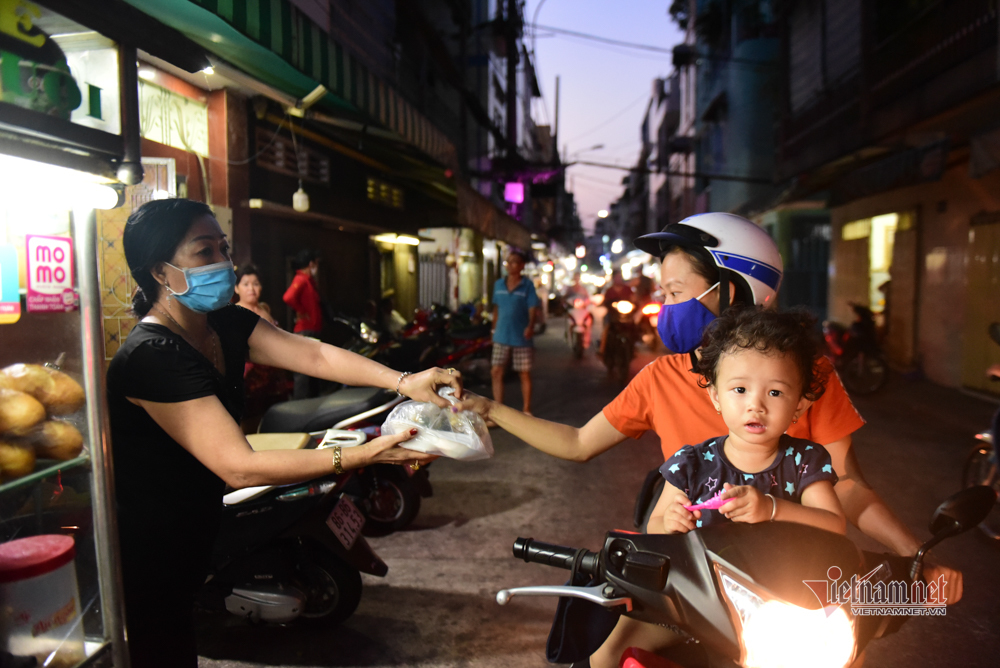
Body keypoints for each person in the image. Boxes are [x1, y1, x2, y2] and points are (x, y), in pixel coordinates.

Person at [459, 213, 961, 608]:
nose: (665, 308)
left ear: (735, 290)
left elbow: (847, 486)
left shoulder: (810, 375)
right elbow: (576, 443)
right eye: (664, 294)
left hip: (791, 576)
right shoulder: (661, 376)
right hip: (695, 578)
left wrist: (914, 556)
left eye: (676, 294)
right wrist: (488, 408)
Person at [108, 199, 461, 668]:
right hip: (149, 545)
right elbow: (239, 466)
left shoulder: (225, 324)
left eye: (223, 248)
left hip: (196, 525)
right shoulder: (152, 356)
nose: (224, 263)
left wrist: (403, 380)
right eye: (204, 252)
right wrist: (358, 456)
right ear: (159, 271)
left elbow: (314, 356)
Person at [593, 306, 846, 667]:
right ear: (714, 396)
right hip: (693, 602)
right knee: (608, 652)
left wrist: (771, 509)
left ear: (799, 405)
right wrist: (672, 521)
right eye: (739, 389)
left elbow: (834, 524)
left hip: (781, 608)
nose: (755, 405)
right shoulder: (692, 463)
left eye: (775, 393)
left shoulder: (805, 460)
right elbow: (656, 524)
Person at [234, 263, 288, 432]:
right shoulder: (234, 312)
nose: (251, 288)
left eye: (255, 283)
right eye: (246, 284)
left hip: (273, 375)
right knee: (252, 424)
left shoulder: (265, 309)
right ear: (236, 289)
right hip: (250, 379)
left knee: (276, 420)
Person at [491, 250, 540, 415]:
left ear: (521, 266)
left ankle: (526, 408)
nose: (510, 265)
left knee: (524, 372)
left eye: (514, 262)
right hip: (501, 335)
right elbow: (496, 308)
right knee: (496, 371)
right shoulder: (498, 284)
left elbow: (532, 308)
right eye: (508, 262)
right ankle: (498, 407)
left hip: (521, 335)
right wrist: (493, 329)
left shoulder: (527, 286)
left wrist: (530, 326)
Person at [283, 248, 323, 398]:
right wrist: (301, 310)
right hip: (305, 331)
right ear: (311, 263)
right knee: (303, 373)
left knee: (314, 371)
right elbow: (288, 297)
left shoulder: (309, 281)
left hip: (312, 330)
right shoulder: (301, 279)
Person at [598, 268, 634, 357]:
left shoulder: (627, 289)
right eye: (617, 277)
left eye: (620, 277)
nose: (618, 279)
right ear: (613, 278)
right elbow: (605, 301)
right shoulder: (609, 290)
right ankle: (602, 349)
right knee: (606, 328)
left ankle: (633, 347)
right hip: (612, 315)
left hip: (626, 315)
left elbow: (634, 299)